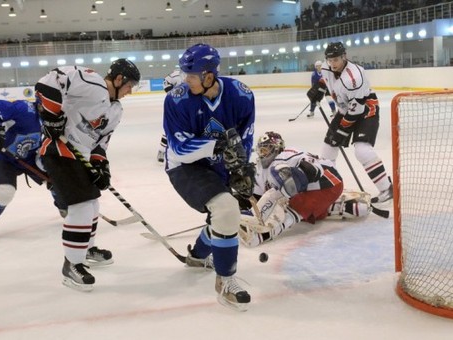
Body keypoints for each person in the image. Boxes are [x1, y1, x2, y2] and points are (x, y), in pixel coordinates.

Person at [163, 43, 256, 311]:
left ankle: (198, 256)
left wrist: (241, 168)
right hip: (184, 166)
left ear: (209, 76)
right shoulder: (177, 99)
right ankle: (226, 282)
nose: (185, 80)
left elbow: (245, 139)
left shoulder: (241, 95)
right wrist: (219, 146)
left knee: (224, 215)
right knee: (226, 209)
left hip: (220, 164)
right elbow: (179, 148)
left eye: (191, 76)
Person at [35, 59, 141, 291]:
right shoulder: (92, 83)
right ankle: (71, 265)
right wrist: (51, 116)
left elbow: (100, 143)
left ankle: (86, 248)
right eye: (129, 85)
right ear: (119, 78)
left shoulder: (116, 110)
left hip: (79, 155)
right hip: (58, 150)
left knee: (92, 205)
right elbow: (49, 81)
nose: (130, 91)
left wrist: (101, 166)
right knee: (81, 206)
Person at [238, 131, 371, 247]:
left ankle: (263, 235)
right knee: (298, 206)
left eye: (266, 150)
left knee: (291, 204)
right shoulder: (261, 170)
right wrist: (241, 198)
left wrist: (300, 174)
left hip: (328, 182)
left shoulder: (286, 155)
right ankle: (340, 207)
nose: (262, 154)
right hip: (315, 192)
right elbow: (258, 198)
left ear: (277, 148)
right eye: (261, 150)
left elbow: (314, 169)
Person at [307, 42, 393, 203]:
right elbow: (328, 79)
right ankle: (328, 188)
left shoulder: (354, 77)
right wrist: (319, 89)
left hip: (366, 110)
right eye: (330, 60)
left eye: (336, 60)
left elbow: (356, 111)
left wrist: (342, 130)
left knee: (362, 150)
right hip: (345, 109)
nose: (332, 64)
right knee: (327, 150)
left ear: (344, 57)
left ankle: (386, 188)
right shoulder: (327, 67)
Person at [0, 99, 68, 241]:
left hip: (30, 157)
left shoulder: (56, 120)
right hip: (4, 156)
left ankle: (65, 208)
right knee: (5, 192)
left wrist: (47, 164)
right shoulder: (24, 108)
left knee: (56, 177)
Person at [157, 69, 182, 163]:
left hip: (190, 105)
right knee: (169, 128)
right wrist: (173, 96)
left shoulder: (196, 73)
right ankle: (161, 151)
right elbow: (166, 82)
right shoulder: (176, 74)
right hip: (174, 105)